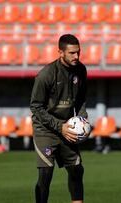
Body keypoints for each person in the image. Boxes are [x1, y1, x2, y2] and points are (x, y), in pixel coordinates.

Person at [30, 34, 88, 203]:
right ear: (60, 52)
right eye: (72, 53)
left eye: (78, 52)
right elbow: (36, 106)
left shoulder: (81, 70)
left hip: (68, 128)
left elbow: (81, 99)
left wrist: (83, 121)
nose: (76, 56)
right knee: (46, 174)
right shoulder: (46, 75)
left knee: (77, 170)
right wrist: (59, 126)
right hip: (46, 129)